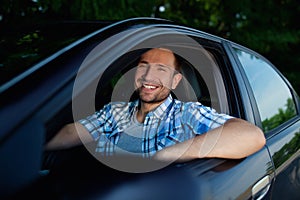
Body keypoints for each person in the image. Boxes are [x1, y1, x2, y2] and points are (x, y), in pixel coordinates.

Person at [45, 48, 266, 162]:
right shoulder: (114, 111)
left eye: (161, 69)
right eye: (143, 66)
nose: (149, 76)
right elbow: (73, 132)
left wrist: (166, 155)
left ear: (175, 80)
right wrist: (34, 150)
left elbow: (251, 136)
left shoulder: (187, 113)